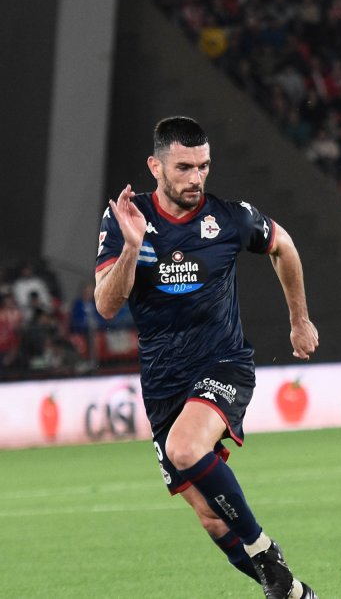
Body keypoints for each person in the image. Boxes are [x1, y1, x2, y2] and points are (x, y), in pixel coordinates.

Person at [94, 116, 319, 599]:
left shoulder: (230, 216)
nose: (196, 177)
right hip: (161, 382)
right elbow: (107, 305)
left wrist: (299, 320)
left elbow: (285, 246)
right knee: (211, 516)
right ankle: (294, 593)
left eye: (204, 166)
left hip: (223, 364)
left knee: (185, 449)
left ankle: (264, 551)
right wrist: (133, 248)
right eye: (184, 167)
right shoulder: (125, 220)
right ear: (156, 166)